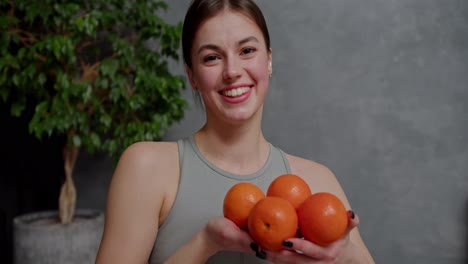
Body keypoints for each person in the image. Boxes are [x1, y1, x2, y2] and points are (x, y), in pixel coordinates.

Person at [96, 0, 375, 263]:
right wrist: (205, 243)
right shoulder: (147, 166)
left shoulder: (317, 180)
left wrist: (347, 255)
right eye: (212, 57)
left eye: (247, 51)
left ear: (268, 60)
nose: (232, 71)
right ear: (192, 76)